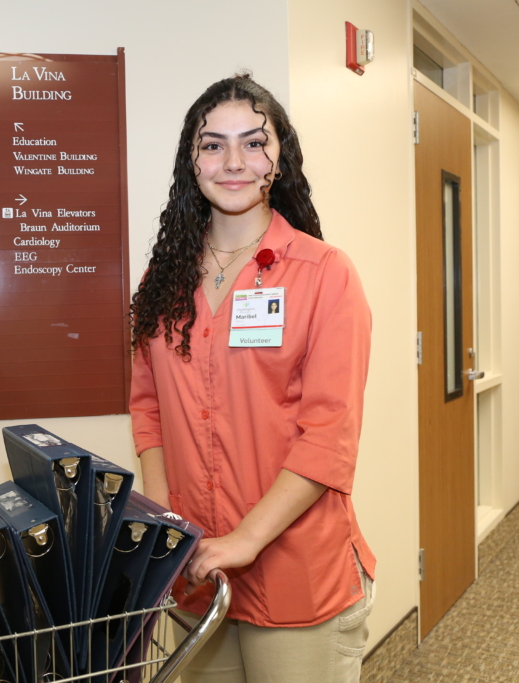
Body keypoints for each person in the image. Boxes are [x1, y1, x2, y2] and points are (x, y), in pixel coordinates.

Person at [129, 73, 375, 683]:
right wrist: (166, 521)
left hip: (297, 573)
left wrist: (246, 539)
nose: (233, 161)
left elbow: (330, 434)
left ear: (279, 159)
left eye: (253, 143)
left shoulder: (323, 274)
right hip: (196, 572)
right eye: (213, 145)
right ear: (192, 161)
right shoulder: (163, 283)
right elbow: (148, 407)